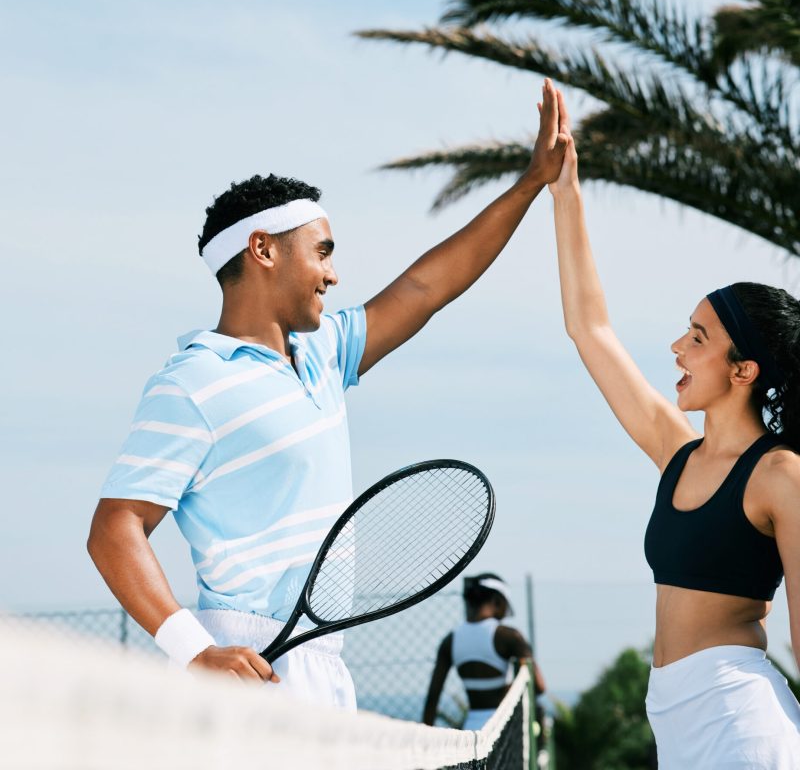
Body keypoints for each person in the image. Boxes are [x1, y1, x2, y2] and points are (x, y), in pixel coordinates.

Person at [86, 81, 569, 711]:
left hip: (322, 670)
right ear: (262, 248)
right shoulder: (192, 382)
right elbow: (115, 527)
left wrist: (531, 182)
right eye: (322, 253)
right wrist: (195, 652)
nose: (334, 275)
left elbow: (427, 287)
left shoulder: (321, 356)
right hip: (241, 666)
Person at [548, 87, 800, 767]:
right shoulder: (677, 452)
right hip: (678, 722)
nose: (676, 349)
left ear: (743, 371)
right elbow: (589, 329)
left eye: (698, 337)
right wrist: (565, 192)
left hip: (742, 723)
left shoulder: (781, 474)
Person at [422, 574, 546, 731]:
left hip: (472, 730)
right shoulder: (509, 636)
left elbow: (433, 697)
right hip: (505, 730)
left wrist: (426, 740)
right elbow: (540, 686)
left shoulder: (450, 640)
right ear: (498, 602)